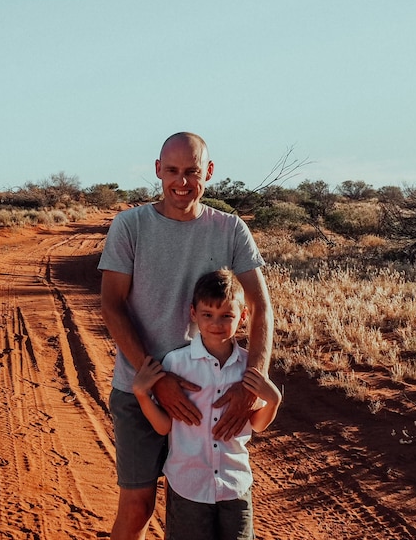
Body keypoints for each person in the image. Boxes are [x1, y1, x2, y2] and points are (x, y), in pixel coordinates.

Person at [99, 132, 274, 540]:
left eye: (192, 172)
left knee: (211, 500)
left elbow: (261, 307)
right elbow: (112, 304)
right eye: (173, 171)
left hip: (209, 393)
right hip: (139, 388)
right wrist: (158, 380)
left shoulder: (230, 229)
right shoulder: (131, 225)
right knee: (138, 505)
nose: (182, 182)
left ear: (208, 173)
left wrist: (252, 383)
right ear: (158, 171)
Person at [132, 269, 281, 540]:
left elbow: (258, 424)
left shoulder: (248, 368)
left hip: (234, 485)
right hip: (188, 485)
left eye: (227, 315)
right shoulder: (176, 364)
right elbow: (164, 426)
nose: (217, 323)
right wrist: (142, 395)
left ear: (243, 316)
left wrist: (274, 400)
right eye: (207, 315)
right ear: (193, 313)